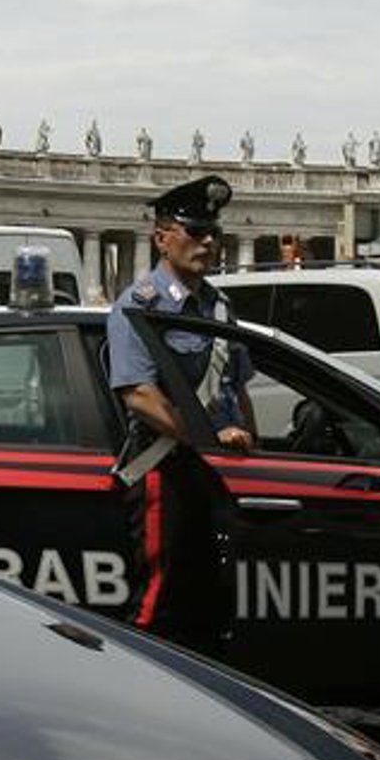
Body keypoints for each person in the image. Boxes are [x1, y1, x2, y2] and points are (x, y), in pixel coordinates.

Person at [105, 174, 254, 653]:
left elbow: (236, 388)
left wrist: (250, 440)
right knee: (158, 602)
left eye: (214, 233)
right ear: (162, 238)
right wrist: (208, 437)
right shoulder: (139, 306)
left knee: (207, 602)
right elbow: (139, 395)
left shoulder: (220, 306)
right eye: (195, 232)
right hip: (164, 470)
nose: (208, 242)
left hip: (215, 472)